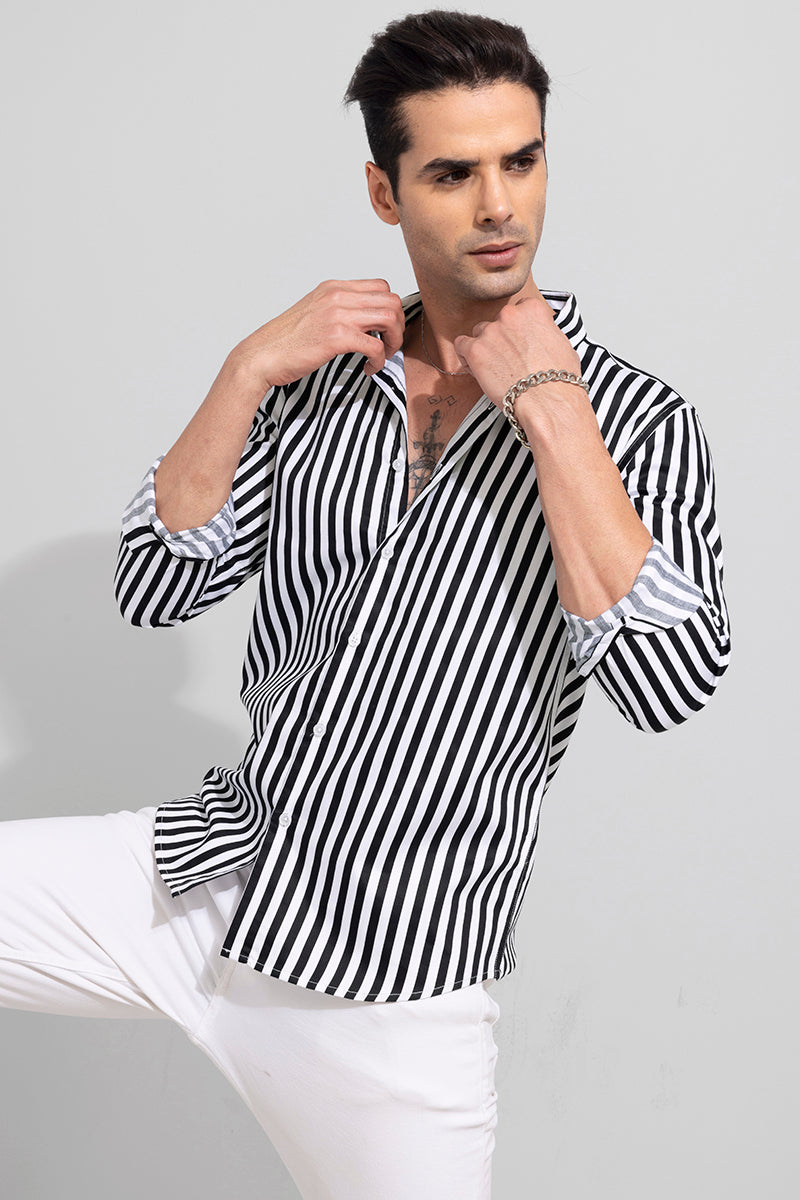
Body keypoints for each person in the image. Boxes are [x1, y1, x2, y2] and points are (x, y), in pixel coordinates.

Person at [0, 10, 730, 1199]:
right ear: (384, 194)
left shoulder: (637, 422)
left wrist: (552, 410)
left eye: (521, 161)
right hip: (206, 882)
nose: (497, 205)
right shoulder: (319, 383)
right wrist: (245, 369)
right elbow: (153, 584)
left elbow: (665, 683)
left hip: (394, 990)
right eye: (451, 173)